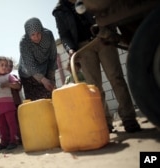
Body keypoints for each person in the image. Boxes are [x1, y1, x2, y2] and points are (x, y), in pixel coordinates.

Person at [52, 0, 141, 133]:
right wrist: (70, 49)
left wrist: (107, 31)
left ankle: (128, 118)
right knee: (94, 87)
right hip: (83, 48)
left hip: (102, 38)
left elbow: (106, 11)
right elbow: (64, 35)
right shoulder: (59, 10)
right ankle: (105, 122)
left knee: (116, 78)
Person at [18, 17, 57, 100]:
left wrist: (51, 77)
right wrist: (43, 80)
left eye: (38, 33)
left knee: (52, 96)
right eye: (32, 35)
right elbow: (30, 65)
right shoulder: (24, 42)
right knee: (37, 102)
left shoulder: (48, 35)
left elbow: (53, 56)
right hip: (29, 75)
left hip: (45, 68)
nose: (36, 37)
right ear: (28, 34)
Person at [0, 56, 21, 152]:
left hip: (9, 104)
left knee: (11, 123)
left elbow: (17, 85)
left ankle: (13, 141)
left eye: (6, 65)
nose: (5, 67)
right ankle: (3, 142)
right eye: (2, 65)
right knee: (1, 125)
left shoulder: (9, 76)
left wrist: (7, 84)